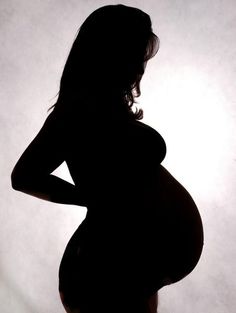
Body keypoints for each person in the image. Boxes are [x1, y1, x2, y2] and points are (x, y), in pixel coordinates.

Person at [11, 4, 204, 313]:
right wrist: (88, 198)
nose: (141, 67)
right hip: (104, 265)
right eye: (135, 53)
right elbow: (23, 177)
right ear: (109, 52)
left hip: (133, 266)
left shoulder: (110, 113)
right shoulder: (75, 111)